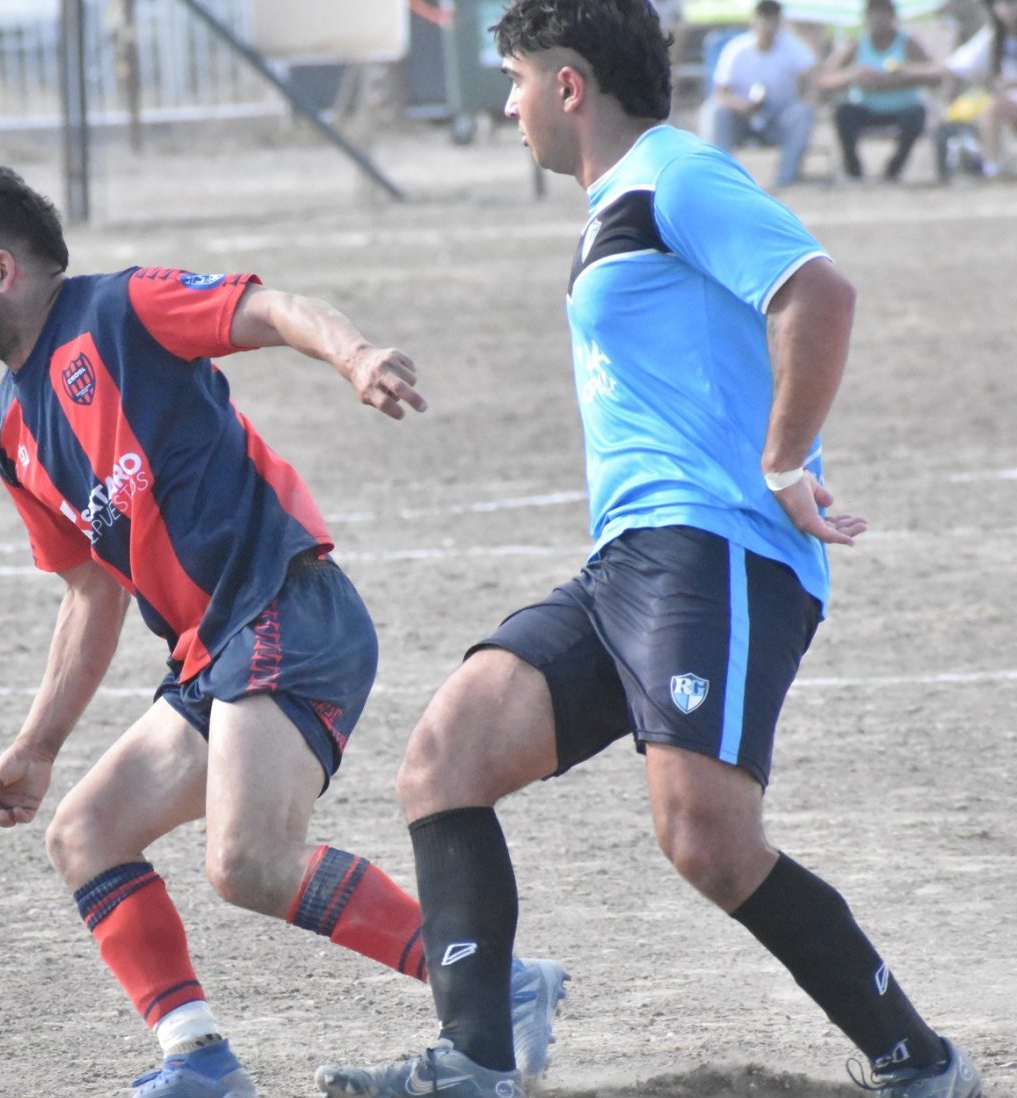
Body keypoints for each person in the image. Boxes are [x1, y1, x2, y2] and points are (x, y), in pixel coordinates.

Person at [314, 1, 984, 1097]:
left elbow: (817, 291)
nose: (509, 104)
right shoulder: (615, 201)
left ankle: (920, 1063)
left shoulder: (677, 176)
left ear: (569, 87)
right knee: (446, 759)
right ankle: (473, 1061)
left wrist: (782, 463)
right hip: (628, 560)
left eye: (518, 80)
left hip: (712, 549)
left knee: (708, 842)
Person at [0, 166, 569, 1098]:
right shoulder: (11, 427)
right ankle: (202, 1060)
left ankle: (486, 989)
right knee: (85, 834)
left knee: (246, 859)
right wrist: (36, 747)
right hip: (215, 653)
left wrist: (355, 355)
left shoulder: (121, 311)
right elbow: (90, 596)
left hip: (285, 607)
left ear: (3, 268)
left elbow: (270, 308)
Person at [817, 0, 945, 182]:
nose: (878, 20)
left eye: (883, 14)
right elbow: (825, 79)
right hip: (866, 106)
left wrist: (906, 73)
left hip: (903, 108)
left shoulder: (907, 42)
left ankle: (893, 170)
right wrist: (853, 76)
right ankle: (855, 172)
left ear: (892, 17)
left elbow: (938, 73)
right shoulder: (856, 44)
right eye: (874, 14)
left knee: (917, 114)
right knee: (843, 113)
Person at [700, 0, 818, 187]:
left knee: (803, 113)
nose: (767, 26)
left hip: (779, 118)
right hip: (742, 117)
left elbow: (812, 78)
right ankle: (721, 179)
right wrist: (742, 105)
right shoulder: (736, 49)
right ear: (753, 21)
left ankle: (786, 180)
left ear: (780, 22)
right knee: (715, 112)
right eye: (763, 19)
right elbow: (719, 93)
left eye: (772, 19)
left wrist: (806, 100)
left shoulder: (793, 47)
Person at [943, 0, 1017, 174]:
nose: (1009, 9)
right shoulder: (994, 37)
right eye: (1003, 4)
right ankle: (993, 167)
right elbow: (956, 67)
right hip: (1008, 101)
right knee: (992, 106)